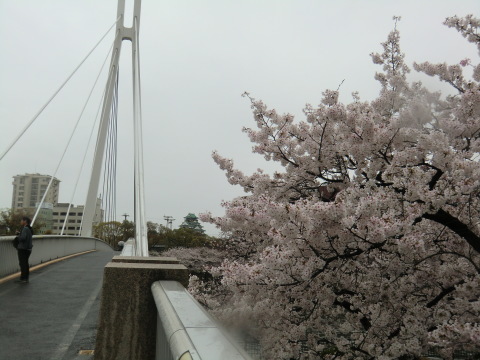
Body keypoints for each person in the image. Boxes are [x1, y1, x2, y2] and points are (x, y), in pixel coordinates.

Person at [16, 216, 33, 283]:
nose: (21, 222)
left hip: (23, 248)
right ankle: (25, 278)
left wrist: (18, 236)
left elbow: (23, 238)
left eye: (21, 220)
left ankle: (23, 278)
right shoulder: (29, 229)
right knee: (25, 263)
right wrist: (20, 234)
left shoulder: (25, 229)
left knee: (22, 264)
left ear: (25, 221)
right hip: (28, 249)